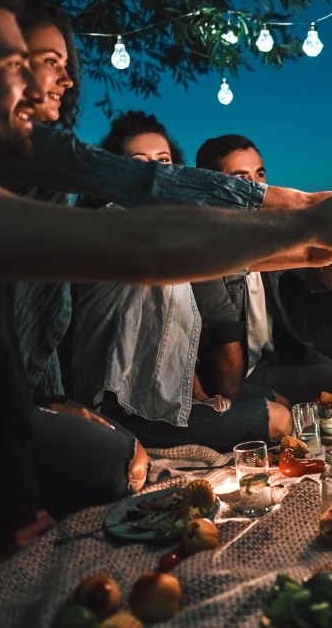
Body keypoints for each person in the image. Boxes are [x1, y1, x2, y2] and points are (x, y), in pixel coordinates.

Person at [0, 0, 332, 567]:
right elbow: (139, 243)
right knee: (107, 460)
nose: (47, 88)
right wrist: (302, 221)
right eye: (20, 67)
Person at [74, 113, 291, 449]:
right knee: (278, 420)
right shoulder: (114, 224)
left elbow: (168, 341)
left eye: (164, 160)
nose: (156, 171)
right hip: (120, 407)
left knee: (282, 402)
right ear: (114, 173)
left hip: (166, 392)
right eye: (139, 162)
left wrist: (201, 397)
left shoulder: (169, 225)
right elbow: (232, 254)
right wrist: (313, 226)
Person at [195, 134, 332, 403]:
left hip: (277, 356)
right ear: (212, 188)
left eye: (260, 174)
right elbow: (223, 353)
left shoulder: (270, 231)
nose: (257, 188)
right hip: (234, 377)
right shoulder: (206, 247)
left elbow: (321, 273)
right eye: (241, 179)